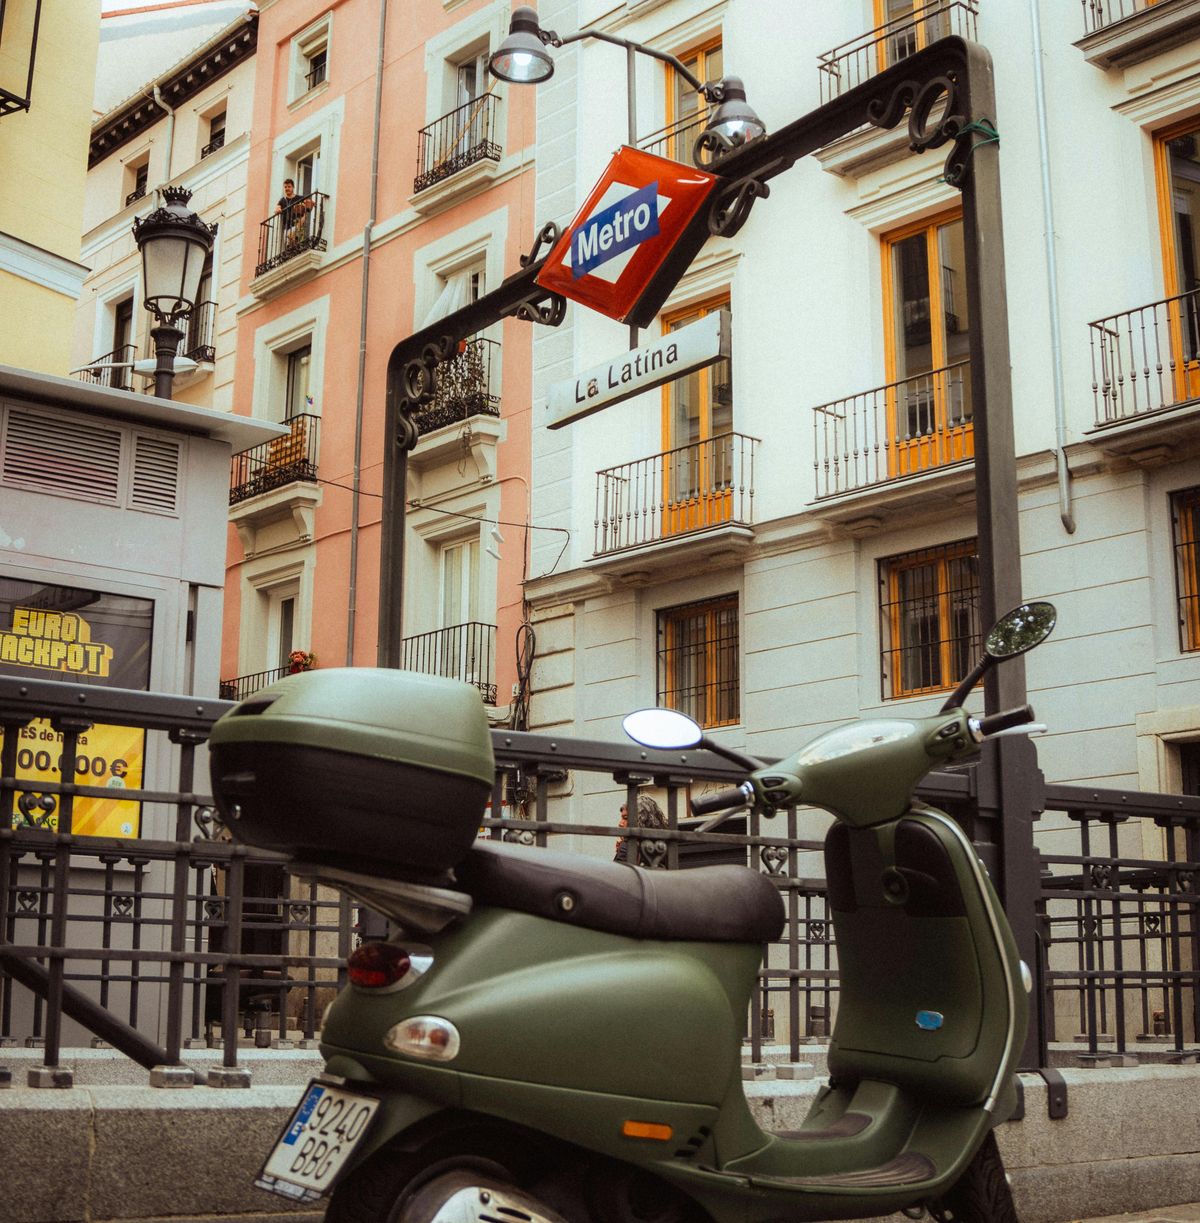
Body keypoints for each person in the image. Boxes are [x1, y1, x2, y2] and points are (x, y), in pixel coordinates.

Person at [614, 793, 667, 866]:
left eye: (625, 818)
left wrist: (622, 849)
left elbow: (618, 873)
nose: (620, 823)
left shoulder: (628, 845)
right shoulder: (663, 846)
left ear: (641, 820)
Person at [275, 178, 313, 248]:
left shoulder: (299, 198)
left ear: (293, 187)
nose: (287, 188)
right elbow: (277, 209)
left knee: (292, 239)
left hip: (297, 224)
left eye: (289, 187)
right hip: (287, 226)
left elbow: (309, 205)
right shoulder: (282, 201)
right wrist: (278, 209)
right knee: (289, 246)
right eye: (285, 187)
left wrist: (303, 217)